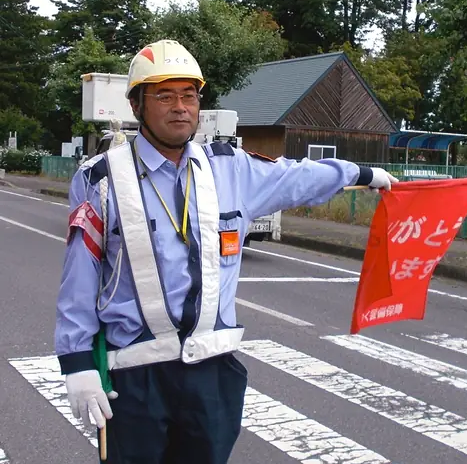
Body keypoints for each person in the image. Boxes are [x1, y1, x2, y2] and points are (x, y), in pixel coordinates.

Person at [55, 39, 398, 464]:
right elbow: (80, 277)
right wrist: (76, 363)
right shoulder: (100, 178)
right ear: (137, 104)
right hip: (135, 377)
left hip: (213, 375)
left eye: (189, 95)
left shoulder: (229, 167)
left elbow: (299, 177)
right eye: (164, 95)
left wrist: (366, 173)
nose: (180, 107)